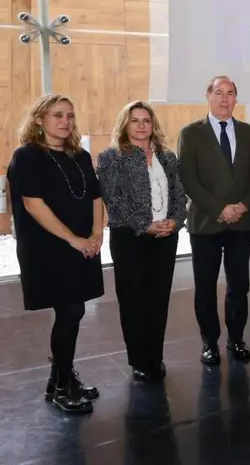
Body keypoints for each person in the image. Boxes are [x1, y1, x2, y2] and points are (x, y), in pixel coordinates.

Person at [8, 94, 103, 414]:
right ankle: (63, 385)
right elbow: (34, 205)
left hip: (82, 244)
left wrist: (96, 234)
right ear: (39, 119)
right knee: (71, 311)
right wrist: (74, 240)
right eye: (57, 115)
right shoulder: (27, 157)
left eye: (70, 115)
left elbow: (95, 197)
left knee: (71, 312)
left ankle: (60, 379)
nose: (65, 121)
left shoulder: (81, 155)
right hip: (47, 248)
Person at [98, 101, 187, 382]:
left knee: (158, 300)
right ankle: (139, 359)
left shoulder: (168, 156)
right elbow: (114, 201)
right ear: (125, 124)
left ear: (153, 124)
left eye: (146, 120)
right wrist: (145, 226)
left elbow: (179, 194)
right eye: (134, 120)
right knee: (134, 300)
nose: (141, 125)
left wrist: (175, 221)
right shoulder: (111, 157)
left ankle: (155, 355)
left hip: (165, 237)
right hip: (130, 238)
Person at [177, 76, 250, 366]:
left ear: (237, 98)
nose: (225, 99)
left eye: (231, 93)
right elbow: (189, 178)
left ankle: (236, 339)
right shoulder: (190, 133)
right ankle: (209, 343)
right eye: (219, 93)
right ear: (208, 95)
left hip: (241, 222)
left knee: (239, 285)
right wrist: (219, 209)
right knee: (206, 286)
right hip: (206, 223)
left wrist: (244, 206)